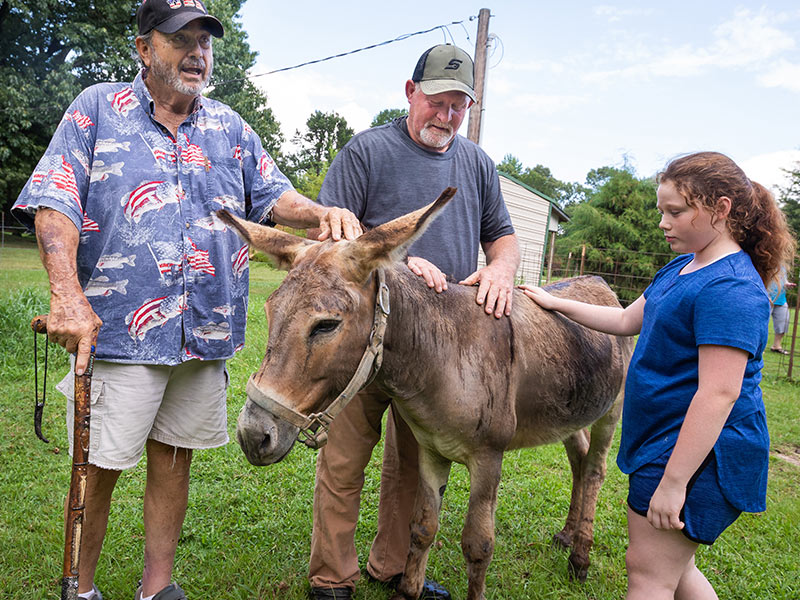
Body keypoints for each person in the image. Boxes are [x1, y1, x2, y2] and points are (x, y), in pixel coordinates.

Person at [12, 2, 361, 599]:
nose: (197, 52)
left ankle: (157, 588)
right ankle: (82, 586)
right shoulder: (97, 108)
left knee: (175, 460)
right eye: (181, 40)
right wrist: (66, 296)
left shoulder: (229, 127)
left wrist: (321, 212)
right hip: (120, 334)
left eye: (205, 40)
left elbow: (275, 197)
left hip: (203, 333)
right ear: (145, 48)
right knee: (98, 469)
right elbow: (56, 203)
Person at [519, 152, 795, 599]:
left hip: (698, 455)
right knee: (674, 570)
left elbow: (719, 394)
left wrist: (674, 483)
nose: (664, 223)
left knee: (649, 574)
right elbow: (628, 319)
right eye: (661, 211)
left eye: (677, 212)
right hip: (665, 441)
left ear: (720, 209)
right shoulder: (684, 266)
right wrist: (557, 303)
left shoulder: (730, 289)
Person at [307, 44, 520, 600]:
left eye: (459, 107)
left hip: (439, 349)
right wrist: (397, 263)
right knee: (345, 457)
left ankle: (396, 566)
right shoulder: (366, 152)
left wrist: (500, 268)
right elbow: (330, 242)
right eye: (437, 102)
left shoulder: (476, 163)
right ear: (410, 92)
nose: (446, 117)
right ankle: (332, 578)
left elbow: (504, 238)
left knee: (416, 465)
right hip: (361, 336)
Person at [767, 267, 793, 354]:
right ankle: (759, 348)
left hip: (781, 300)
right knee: (761, 325)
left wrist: (787, 284)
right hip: (767, 299)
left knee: (783, 323)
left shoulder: (783, 267)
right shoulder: (765, 262)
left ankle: (776, 346)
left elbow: (784, 281)